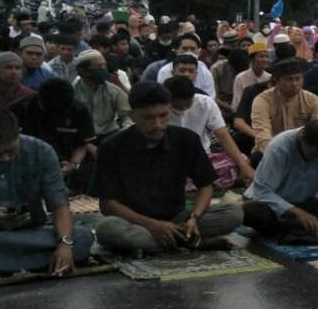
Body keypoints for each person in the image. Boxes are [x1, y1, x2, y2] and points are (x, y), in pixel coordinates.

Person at [94, 82, 243, 253]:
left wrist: (194, 218)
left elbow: (205, 185)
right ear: (132, 115)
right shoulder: (111, 147)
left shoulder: (186, 140)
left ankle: (172, 239)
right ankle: (189, 242)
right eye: (148, 118)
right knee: (107, 229)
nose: (158, 124)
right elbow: (107, 204)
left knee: (233, 213)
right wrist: (153, 225)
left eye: (163, 116)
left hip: (178, 219)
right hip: (135, 222)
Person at [0, 110, 93, 278]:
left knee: (82, 237)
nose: (5, 158)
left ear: (19, 133)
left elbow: (59, 206)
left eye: (10, 150)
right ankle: (28, 262)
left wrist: (65, 245)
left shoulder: (41, 152)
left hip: (30, 234)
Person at [10, 79, 96, 195]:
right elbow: (10, 144)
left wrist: (73, 164)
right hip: (29, 162)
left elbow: (82, 144)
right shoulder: (19, 109)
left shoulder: (79, 110)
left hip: (67, 161)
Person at [164, 77, 255, 185]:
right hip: (169, 159)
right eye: (179, 106)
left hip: (201, 158)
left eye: (187, 104)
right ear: (169, 100)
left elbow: (223, 135)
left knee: (242, 159)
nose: (184, 108)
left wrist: (242, 165)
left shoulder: (205, 103)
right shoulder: (160, 108)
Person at [250, 58, 318, 155]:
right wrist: (277, 154)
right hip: (270, 151)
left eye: (298, 79)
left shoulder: (313, 100)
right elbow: (262, 135)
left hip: (303, 151)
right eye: (289, 79)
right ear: (277, 81)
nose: (294, 84)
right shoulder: (263, 100)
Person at [233, 42, 272, 111]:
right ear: (252, 59)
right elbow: (237, 104)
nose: (265, 59)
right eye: (261, 56)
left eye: (267, 56)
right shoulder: (240, 78)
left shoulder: (269, 78)